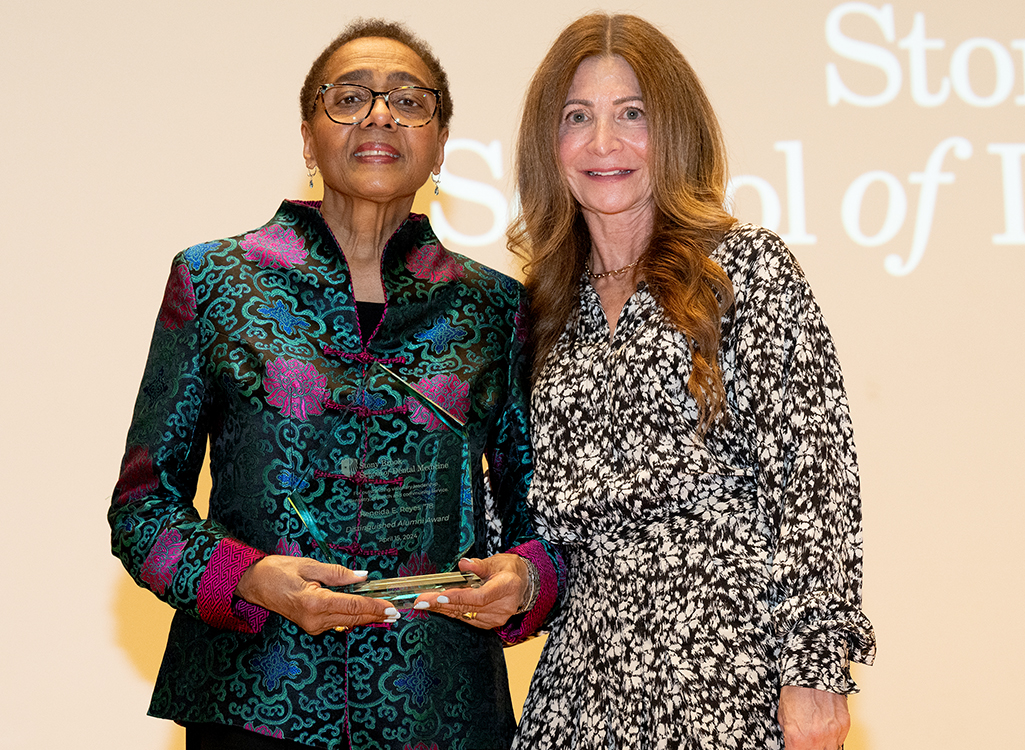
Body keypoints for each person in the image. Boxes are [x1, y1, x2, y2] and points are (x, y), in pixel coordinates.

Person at [109, 18, 563, 750]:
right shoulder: (216, 280)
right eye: (348, 97)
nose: (380, 113)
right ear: (306, 135)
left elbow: (539, 516)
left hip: (438, 709)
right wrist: (250, 579)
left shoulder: (495, 308)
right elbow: (140, 509)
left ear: (442, 143)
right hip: (253, 702)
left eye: (409, 101)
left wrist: (526, 582)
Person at [508, 13, 876, 750]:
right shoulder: (544, 307)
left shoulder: (746, 270)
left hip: (732, 675)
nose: (603, 143)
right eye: (576, 117)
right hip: (582, 688)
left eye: (632, 114)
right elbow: (533, 510)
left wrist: (813, 672)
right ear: (547, 146)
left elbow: (814, 483)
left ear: (675, 130)